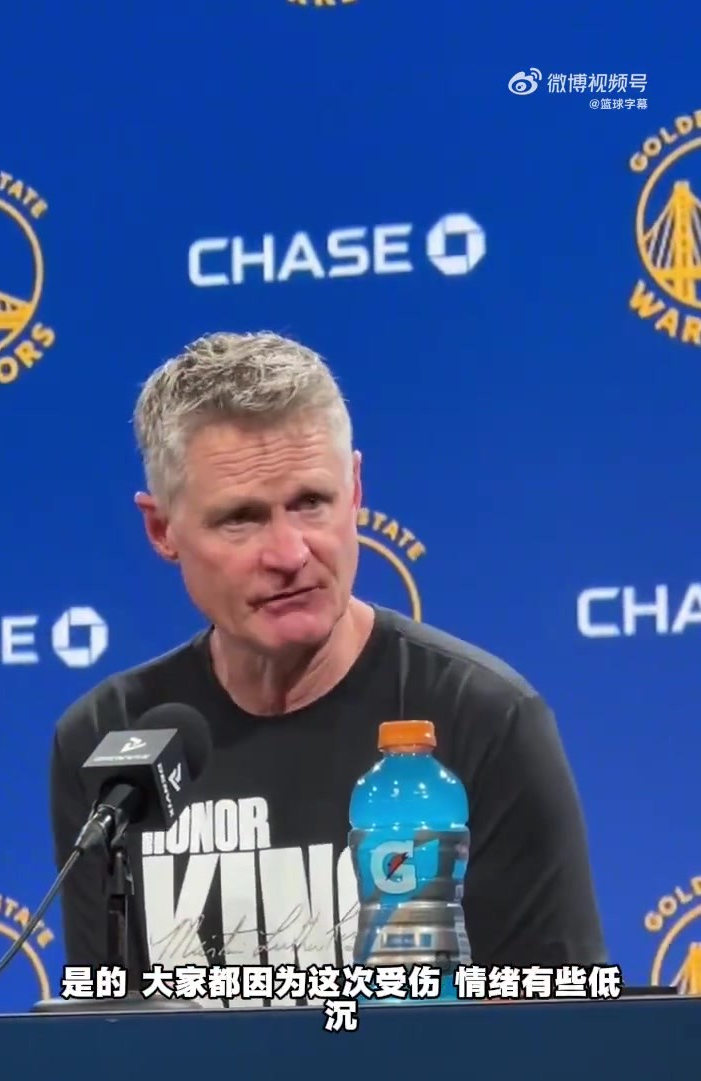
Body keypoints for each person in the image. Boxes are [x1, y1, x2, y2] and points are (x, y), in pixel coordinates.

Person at [50, 330, 606, 1005]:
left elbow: (565, 1031)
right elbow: (102, 1037)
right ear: (162, 530)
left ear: (356, 489)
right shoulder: (110, 741)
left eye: (311, 503)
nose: (290, 554)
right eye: (240, 519)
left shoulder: (486, 721)